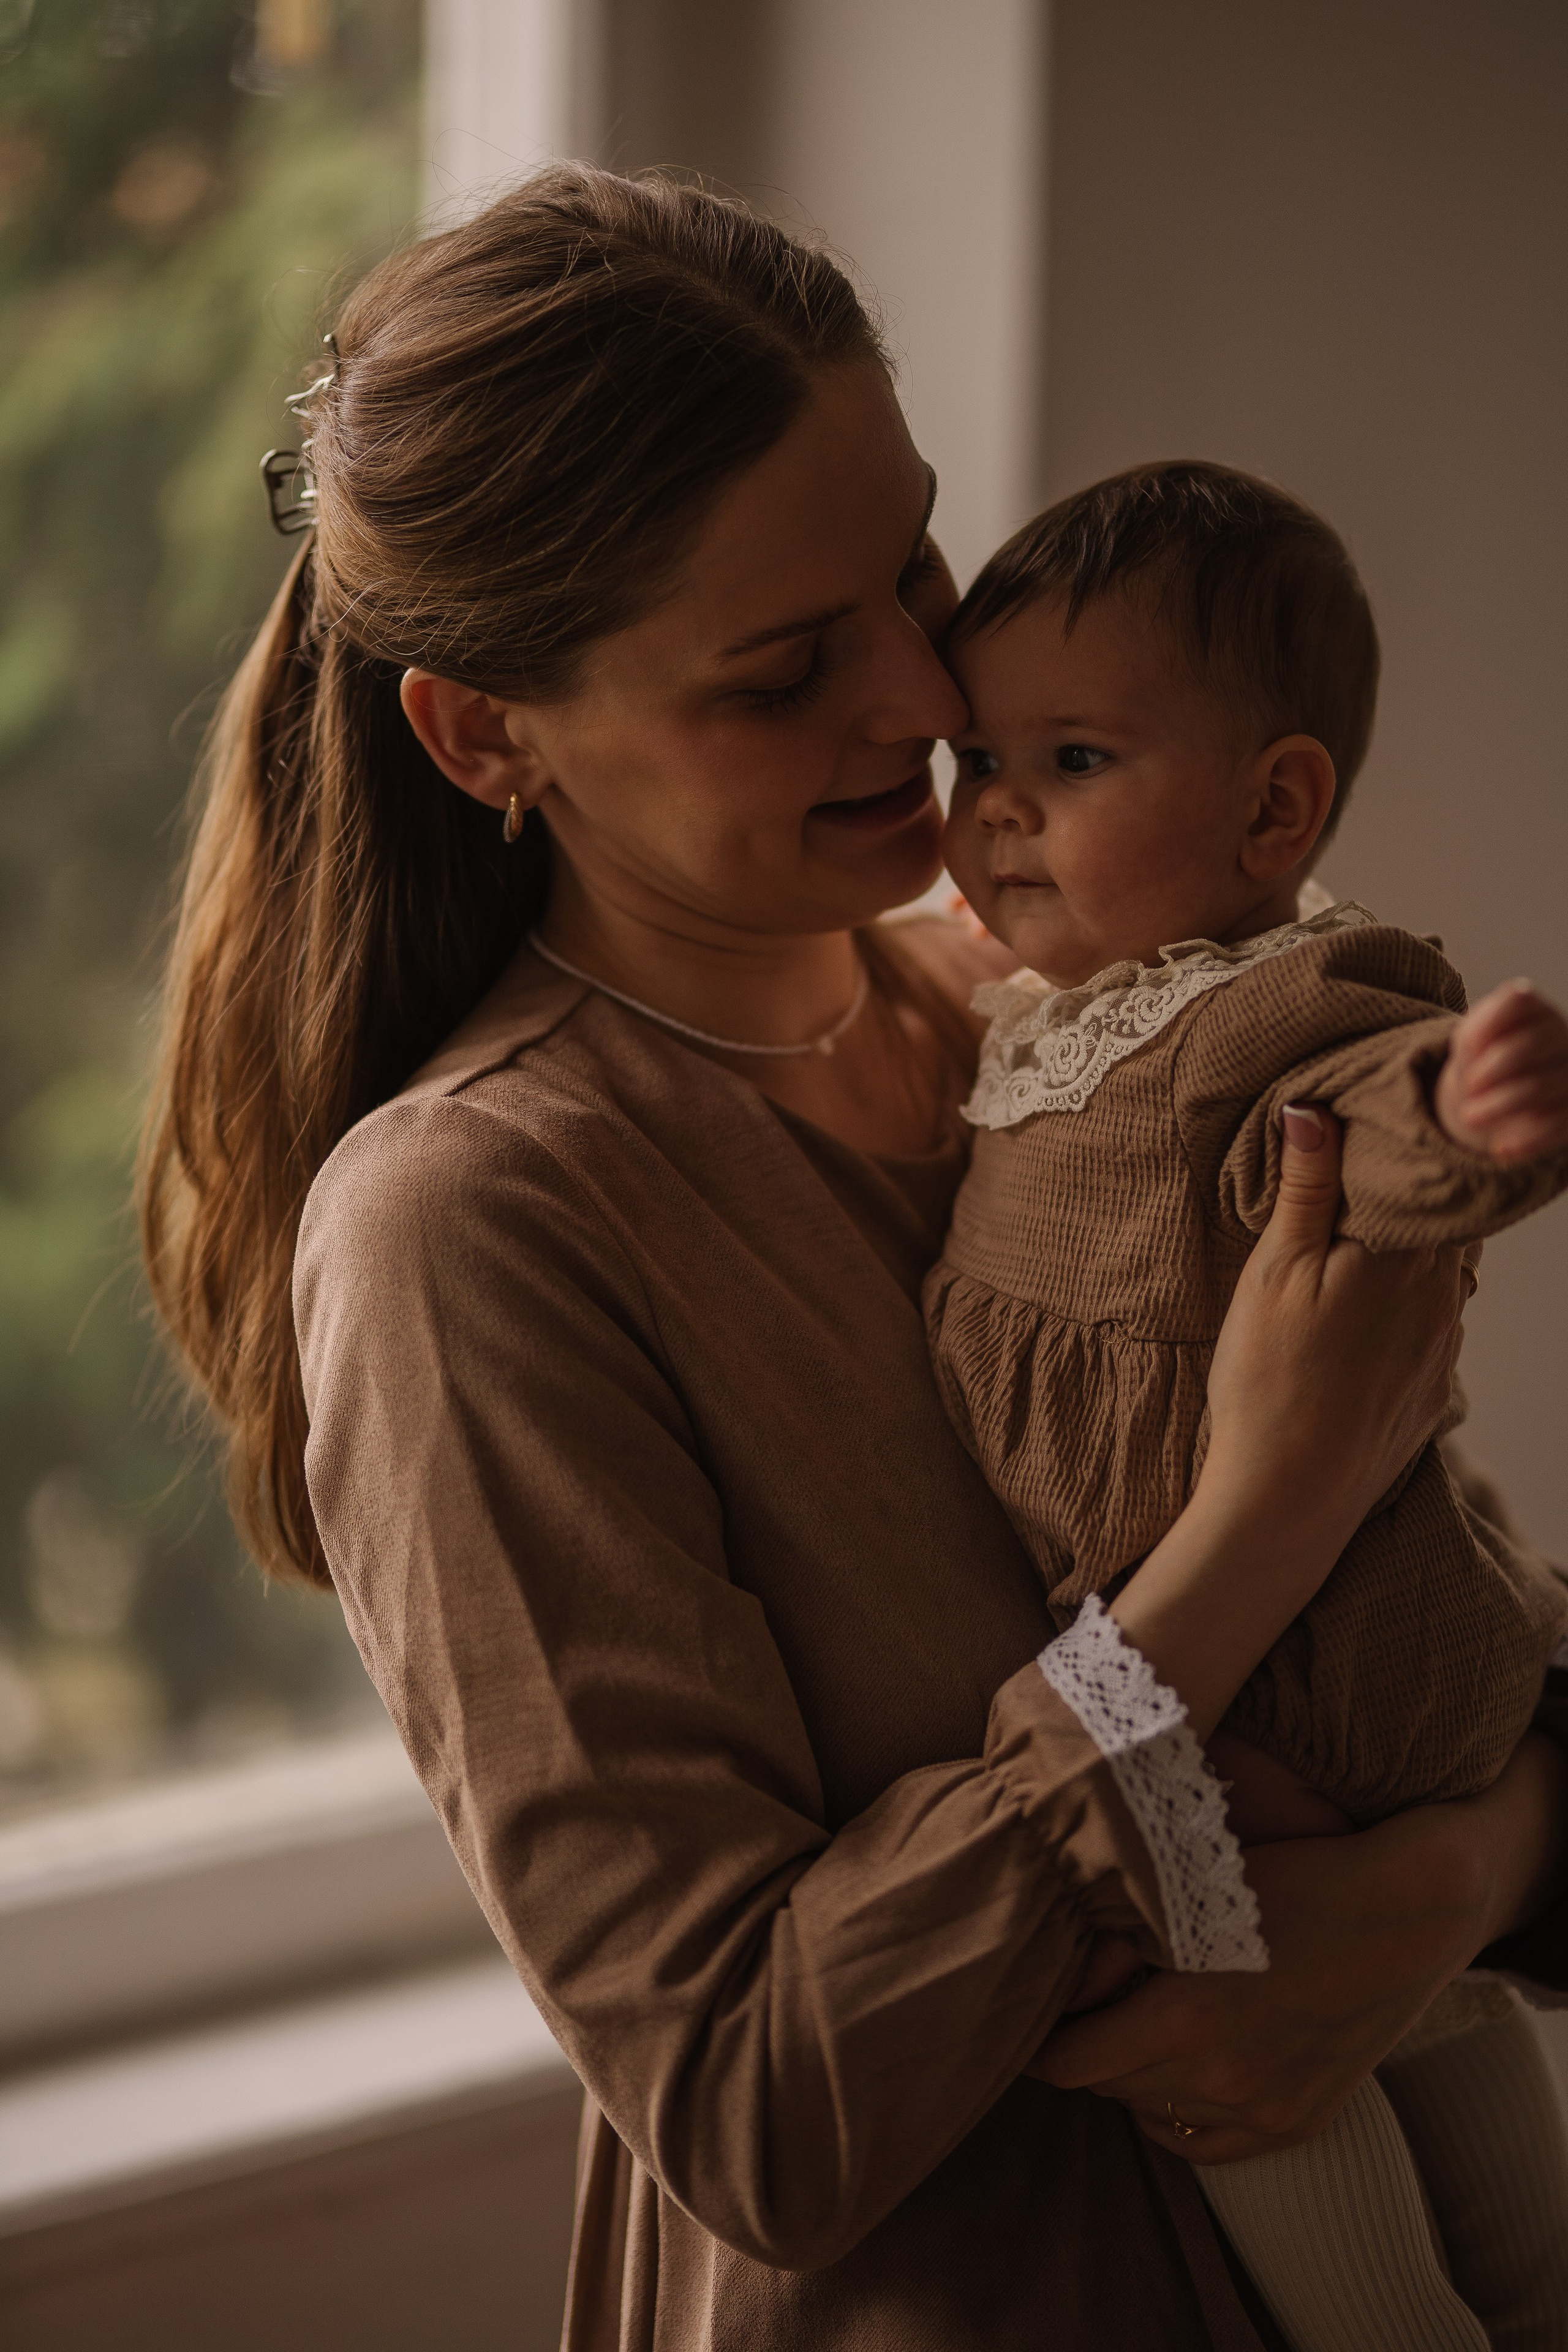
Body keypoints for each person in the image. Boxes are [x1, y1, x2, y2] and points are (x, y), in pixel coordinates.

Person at [138, 168, 1568, 2352]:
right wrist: (1256, 1526)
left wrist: (1459, 1885)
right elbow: (755, 2107)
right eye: (790, 665)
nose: (927, 684)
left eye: (912, 560)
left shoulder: (1055, 1033)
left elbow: (1456, 1609)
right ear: (484, 733)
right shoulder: (473, 1228)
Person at [929, 460, 1568, 2348]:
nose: (999, 816)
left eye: (1076, 762)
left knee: (1346, 2234)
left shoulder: (1277, 998)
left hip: (1299, 1702)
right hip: (1259, 1700)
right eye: (979, 764)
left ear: (1275, 805)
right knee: (1482, 2155)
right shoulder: (1033, 1018)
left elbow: (1364, 1115)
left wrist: (1464, 1114)